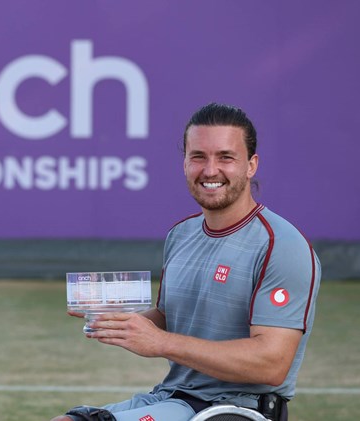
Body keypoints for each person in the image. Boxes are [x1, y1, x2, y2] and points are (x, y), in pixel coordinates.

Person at [52, 103, 321, 421]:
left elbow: (272, 364)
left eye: (225, 157)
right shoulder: (181, 234)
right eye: (198, 157)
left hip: (236, 410)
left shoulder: (281, 245)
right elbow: (169, 317)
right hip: (175, 398)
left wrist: (162, 343)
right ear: (184, 163)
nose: (210, 170)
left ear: (251, 165)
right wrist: (113, 320)